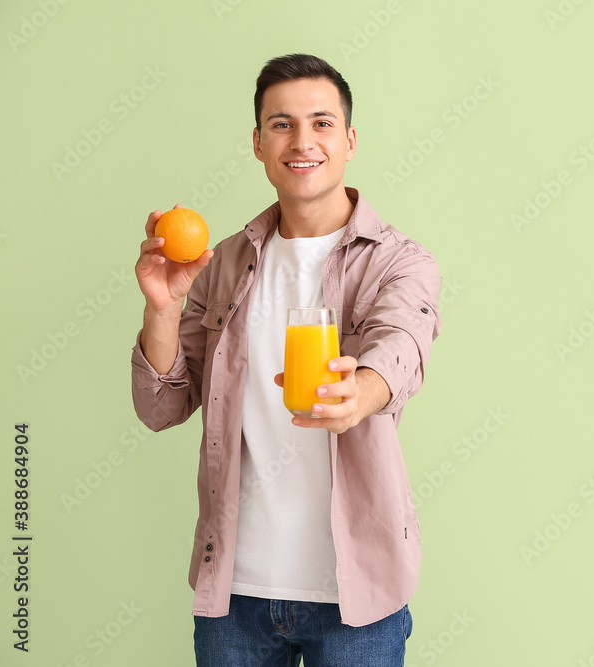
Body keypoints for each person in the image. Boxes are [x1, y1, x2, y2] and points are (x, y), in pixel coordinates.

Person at [130, 53, 442, 666]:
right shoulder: (220, 263)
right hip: (236, 592)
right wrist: (163, 308)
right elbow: (161, 407)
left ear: (350, 140)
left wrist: (364, 390)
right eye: (281, 124)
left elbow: (403, 340)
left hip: (358, 597)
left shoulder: (400, 261)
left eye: (322, 123)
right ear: (257, 142)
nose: (303, 141)